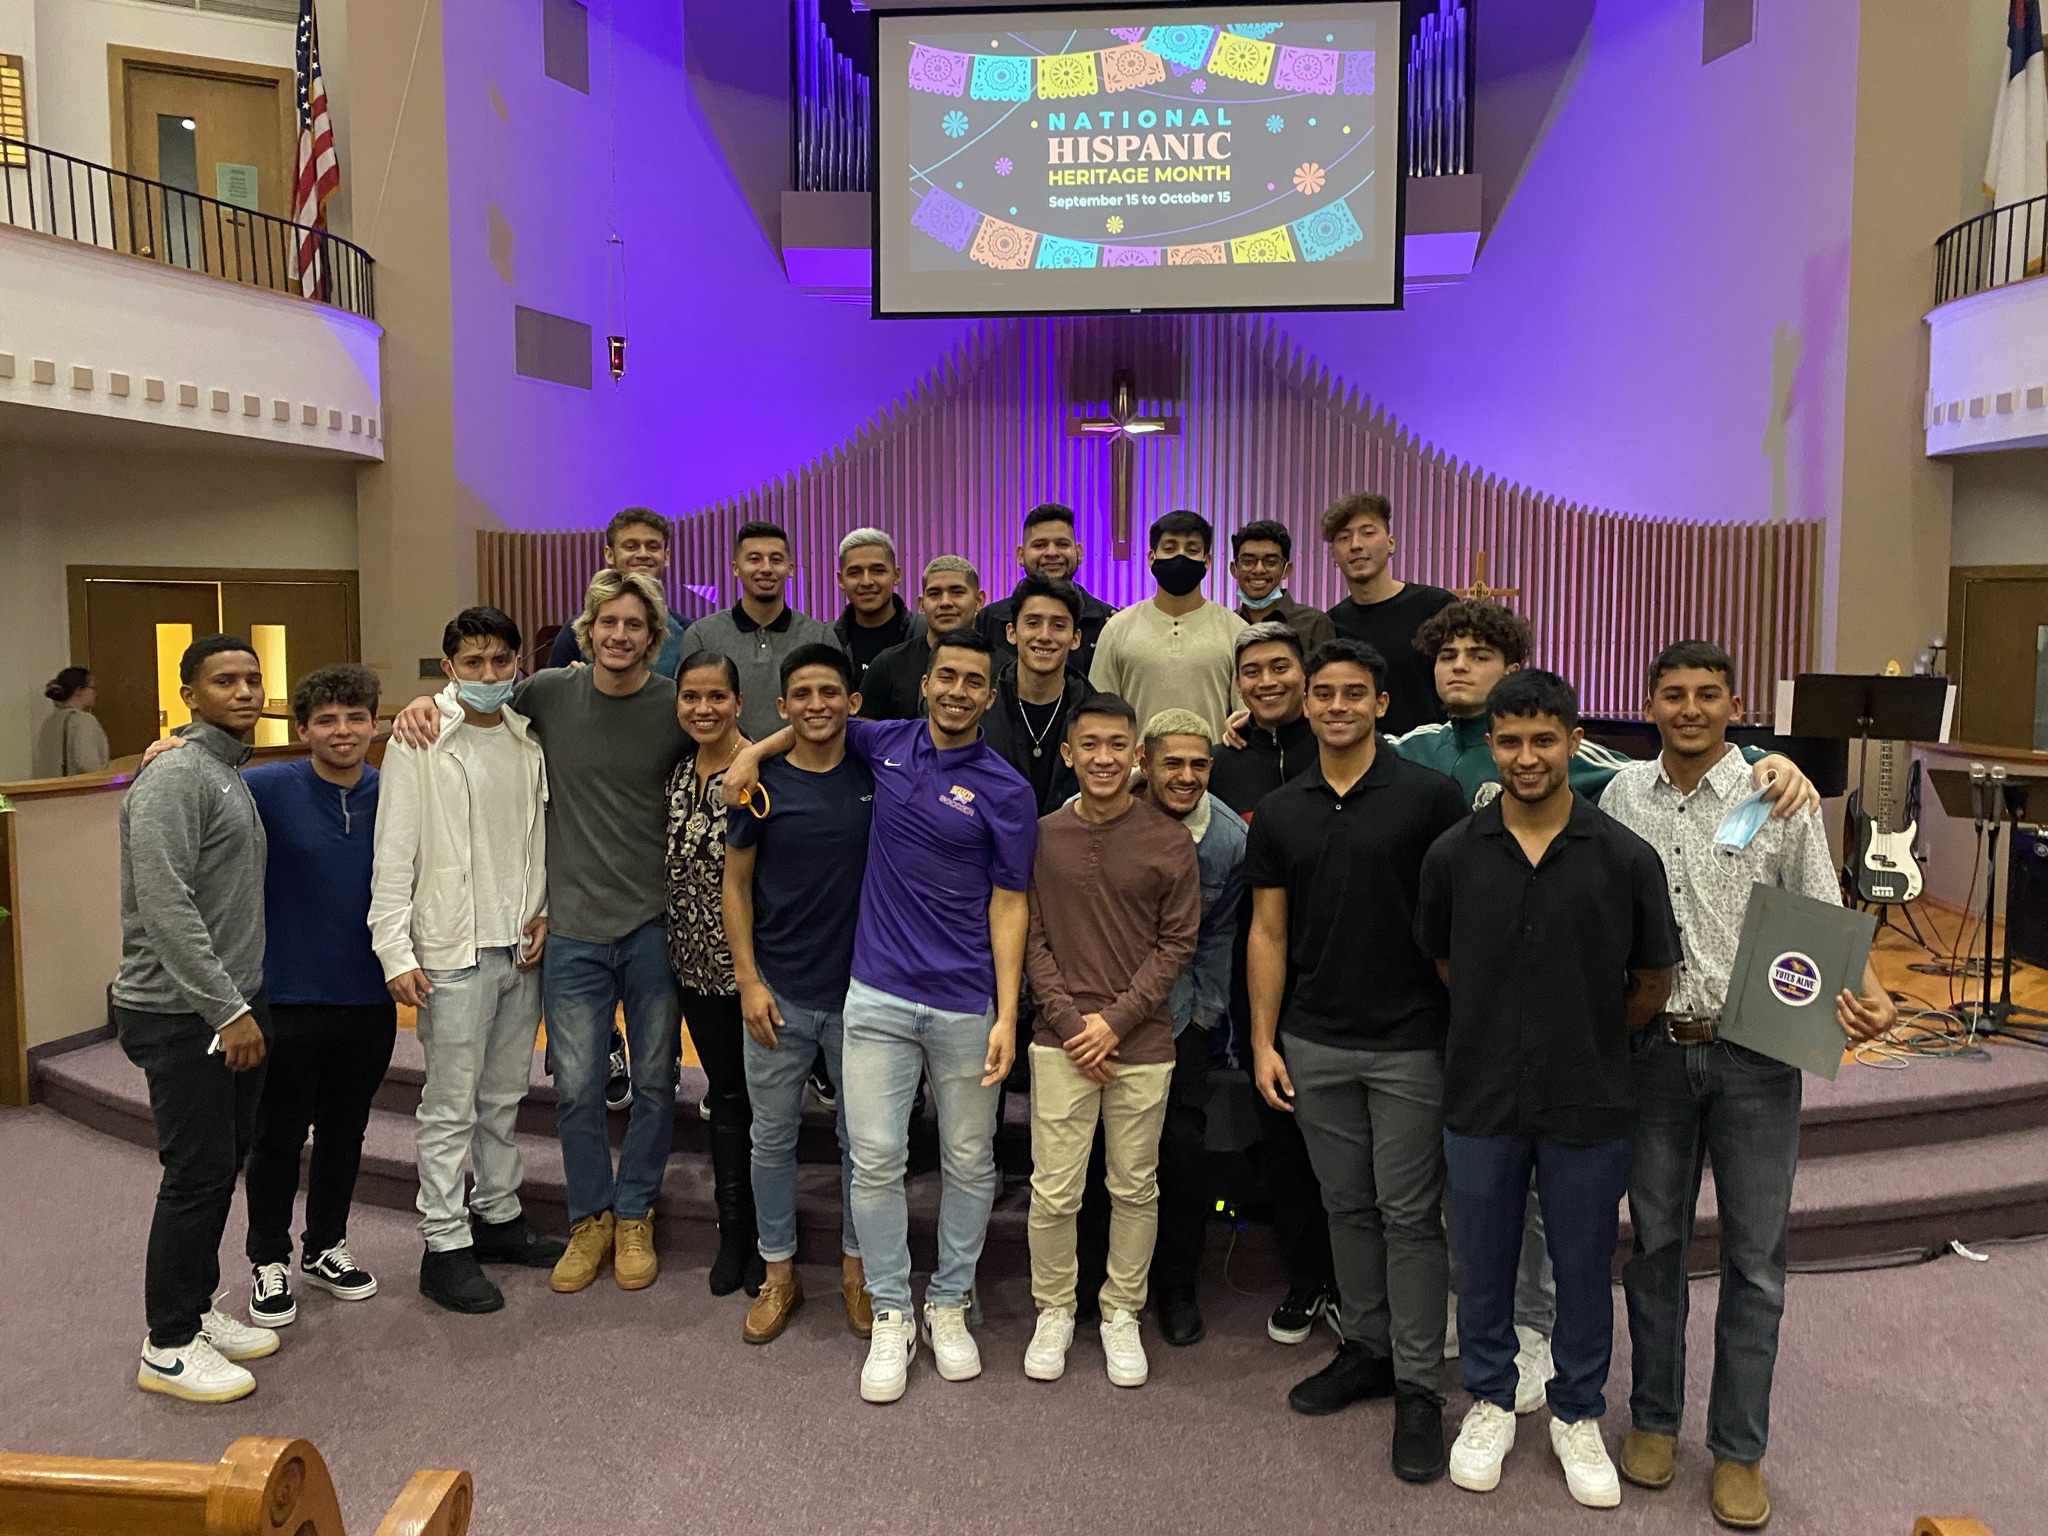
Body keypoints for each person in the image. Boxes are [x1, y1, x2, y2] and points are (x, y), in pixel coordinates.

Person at [1600, 640, 1898, 1531]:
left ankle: (1739, 1449)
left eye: (1708, 694)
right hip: (1654, 1053)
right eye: (1673, 694)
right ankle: (1654, 1421)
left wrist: (1869, 990)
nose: (1690, 709)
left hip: (1757, 1059)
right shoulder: (1620, 798)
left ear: (1734, 705)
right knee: (1654, 1249)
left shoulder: (1778, 795)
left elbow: (1817, 912)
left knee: (1756, 1263)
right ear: (1649, 703)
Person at [722, 627, 1038, 1405]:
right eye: (947, 678)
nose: (959, 691)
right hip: (879, 997)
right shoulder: (886, 742)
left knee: (969, 1164)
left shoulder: (1008, 790)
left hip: (967, 1004)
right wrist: (749, 754)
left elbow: (1010, 903)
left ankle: (948, 1302)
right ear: (924, 685)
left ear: (989, 697)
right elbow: (809, 717)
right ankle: (893, 1308)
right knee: (875, 1158)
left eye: (974, 682)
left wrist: (1004, 1011)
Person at [1416, 669, 1681, 1510]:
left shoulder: (1625, 857)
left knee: (1580, 1265)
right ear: (1490, 746)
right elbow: (1447, 965)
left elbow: (1651, 980)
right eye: (1509, 741)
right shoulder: (1454, 855)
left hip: (1588, 1097)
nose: (1527, 757)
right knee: (1483, 1262)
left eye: (1543, 740)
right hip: (1483, 1096)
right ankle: (1491, 1400)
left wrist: (1586, 1034)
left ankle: (1575, 1412)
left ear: (1574, 741)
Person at [391, 570, 690, 1298]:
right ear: (587, 631)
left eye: (635, 625)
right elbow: (463, 703)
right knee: (580, 1088)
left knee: (653, 1080)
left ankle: (633, 1213)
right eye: (608, 623)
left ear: (654, 635)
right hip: (571, 934)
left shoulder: (673, 705)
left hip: (649, 924)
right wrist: (413, 708)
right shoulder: (547, 695)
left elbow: (737, 743)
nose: (620, 635)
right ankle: (588, 1217)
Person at [1244, 638, 1467, 1483]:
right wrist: (1265, 1040)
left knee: (1409, 1213)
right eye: (1323, 693)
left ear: (1381, 704)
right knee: (1348, 1206)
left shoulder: (1430, 799)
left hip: (1411, 1040)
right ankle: (1367, 1349)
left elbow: (1460, 923)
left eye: (1353, 693)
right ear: (1305, 705)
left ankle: (1418, 1385)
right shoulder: (1285, 806)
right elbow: (1268, 933)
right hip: (1315, 1041)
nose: (1336, 705)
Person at [372, 608, 561, 1313]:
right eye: (472, 663)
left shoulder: (527, 742)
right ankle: (444, 1243)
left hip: (520, 948)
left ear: (519, 666)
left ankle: (500, 1214)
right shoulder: (419, 740)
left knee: (504, 1096)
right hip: (451, 952)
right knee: (450, 1105)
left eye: (500, 663)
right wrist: (394, 949)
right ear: (448, 667)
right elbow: (393, 853)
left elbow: (534, 844)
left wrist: (542, 912)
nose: (488, 676)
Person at [114, 634, 279, 1402]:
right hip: (183, 1013)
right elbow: (166, 908)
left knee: (222, 1165)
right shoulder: (175, 776)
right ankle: (168, 1344)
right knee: (196, 1174)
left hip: (230, 1005)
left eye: (252, 678)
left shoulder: (223, 770)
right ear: (189, 694)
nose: (244, 691)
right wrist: (227, 1010)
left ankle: (197, 1309)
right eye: (224, 681)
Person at [1022, 694, 1201, 1389]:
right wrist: (1073, 1025)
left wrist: (1116, 1022)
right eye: (1088, 745)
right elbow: (1030, 937)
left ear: (1136, 758)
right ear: (1068, 755)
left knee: (1134, 1186)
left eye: (1116, 746)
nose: (1102, 758)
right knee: (1054, 1192)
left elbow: (1176, 942)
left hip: (1143, 1042)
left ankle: (1122, 1309)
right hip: (1060, 1041)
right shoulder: (1040, 834)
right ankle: (1054, 1309)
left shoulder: (1169, 839)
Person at [1073, 709, 1246, 1349]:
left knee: (1177, 1160)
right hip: (1091, 1019)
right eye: (1172, 762)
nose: (1186, 776)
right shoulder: (1085, 812)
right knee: (1092, 1158)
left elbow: (1219, 935)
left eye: (1199, 764)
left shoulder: (1225, 838)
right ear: (1143, 761)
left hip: (1175, 1023)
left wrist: (1198, 1016)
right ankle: (1092, 1284)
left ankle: (1175, 1289)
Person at [723, 643, 875, 1343]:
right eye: (802, 694)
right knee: (772, 1139)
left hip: (862, 996)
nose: (818, 704)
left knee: (861, 1143)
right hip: (778, 993)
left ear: (853, 702)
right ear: (782, 707)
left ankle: (855, 1270)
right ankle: (778, 1273)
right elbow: (737, 884)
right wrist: (749, 982)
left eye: (830, 692)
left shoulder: (880, 772)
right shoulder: (760, 784)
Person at [240, 664, 397, 1328]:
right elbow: (193, 789)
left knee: (345, 1131)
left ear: (373, 724)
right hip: (289, 996)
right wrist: (171, 747)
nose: (343, 730)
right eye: (327, 719)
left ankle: (325, 1246)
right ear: (302, 729)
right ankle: (267, 1258)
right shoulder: (267, 786)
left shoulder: (394, 793)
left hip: (368, 996)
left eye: (355, 717)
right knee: (277, 1135)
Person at [1205, 622, 1336, 1345]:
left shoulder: (1345, 747)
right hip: (1253, 974)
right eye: (1251, 672)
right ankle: (1306, 1278)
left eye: (1280, 668)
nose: (1266, 682)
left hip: (1344, 969)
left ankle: (1353, 1285)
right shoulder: (1226, 763)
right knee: (1281, 1142)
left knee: (1347, 1148)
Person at [1395, 599, 1820, 814]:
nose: (1459, 666)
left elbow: (1666, 774)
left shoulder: (1556, 754)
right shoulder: (1414, 748)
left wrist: (1761, 758)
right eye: (1447, 656)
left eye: (1478, 655)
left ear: (1511, 670)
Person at [661, 650, 763, 1297]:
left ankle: (765, 1239)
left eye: (716, 697)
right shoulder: (677, 772)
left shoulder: (757, 771)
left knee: (762, 1106)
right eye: (691, 697)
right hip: (692, 969)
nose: (703, 709)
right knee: (724, 1096)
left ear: (738, 701)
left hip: (750, 970)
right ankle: (733, 1233)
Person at [1090, 510, 1248, 739]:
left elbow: (1244, 717)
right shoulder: (1117, 629)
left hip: (1209, 771)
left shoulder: (1237, 631)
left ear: (1207, 561)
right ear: (1151, 558)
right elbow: (1100, 715)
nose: (1180, 556)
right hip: (1137, 771)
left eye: (1191, 550)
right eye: (1170, 548)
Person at [681, 520, 842, 742]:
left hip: (803, 769)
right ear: (736, 568)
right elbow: (690, 714)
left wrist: (759, 753)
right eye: (754, 559)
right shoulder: (701, 635)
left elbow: (836, 716)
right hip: (727, 770)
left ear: (790, 568)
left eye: (776, 560)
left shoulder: (820, 636)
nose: (766, 569)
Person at [1321, 492, 1456, 737]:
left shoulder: (1436, 606)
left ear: (1390, 542)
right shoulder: (1330, 624)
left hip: (1433, 753)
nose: (1356, 545)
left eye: (1368, 532)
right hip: (1362, 758)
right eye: (1344, 537)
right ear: (1333, 554)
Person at [980, 573, 1093, 815]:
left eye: (1058, 625)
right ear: (1011, 632)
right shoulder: (981, 707)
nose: (1044, 636)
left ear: (1075, 638)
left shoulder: (1093, 713)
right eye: (1032, 623)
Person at [545, 508, 689, 678]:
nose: (643, 554)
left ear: (666, 556)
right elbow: (550, 693)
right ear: (609, 554)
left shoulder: (688, 633)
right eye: (631, 546)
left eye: (652, 546)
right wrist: (567, 684)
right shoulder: (576, 630)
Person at [975, 502, 1116, 673]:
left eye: (1062, 544)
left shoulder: (1108, 621)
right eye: (1039, 545)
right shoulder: (989, 620)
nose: (1051, 553)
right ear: (1021, 555)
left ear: (1078, 553)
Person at [859, 556, 985, 720]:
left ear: (979, 600)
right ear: (921, 604)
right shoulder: (887, 665)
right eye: (934, 594)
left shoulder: (1001, 667)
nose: (945, 602)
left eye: (957, 592)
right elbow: (865, 735)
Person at [1230, 519, 1336, 653]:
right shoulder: (1227, 625)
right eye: (1248, 561)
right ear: (1234, 569)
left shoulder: (1314, 624)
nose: (1259, 569)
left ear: (1286, 569)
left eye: (1271, 562)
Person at [833, 527, 923, 676]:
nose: (867, 581)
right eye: (855, 573)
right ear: (841, 580)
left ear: (896, 575)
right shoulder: (828, 639)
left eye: (878, 570)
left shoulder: (925, 633)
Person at [34, 666, 110, 778]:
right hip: (77, 790)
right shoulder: (83, 720)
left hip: (49, 790)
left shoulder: (49, 721)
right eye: (92, 688)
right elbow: (88, 764)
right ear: (79, 692)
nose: (95, 693)